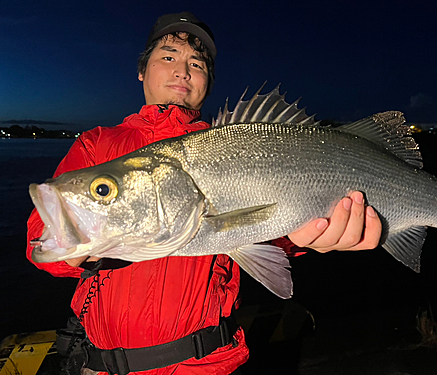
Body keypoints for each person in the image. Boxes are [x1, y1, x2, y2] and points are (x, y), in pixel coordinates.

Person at [26, 11, 382, 374]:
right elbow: (40, 243)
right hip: (102, 366)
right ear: (141, 70)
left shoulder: (239, 144)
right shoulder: (96, 145)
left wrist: (311, 238)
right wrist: (69, 248)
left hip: (208, 364)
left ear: (207, 82)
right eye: (168, 57)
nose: (182, 70)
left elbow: (273, 237)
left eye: (196, 64)